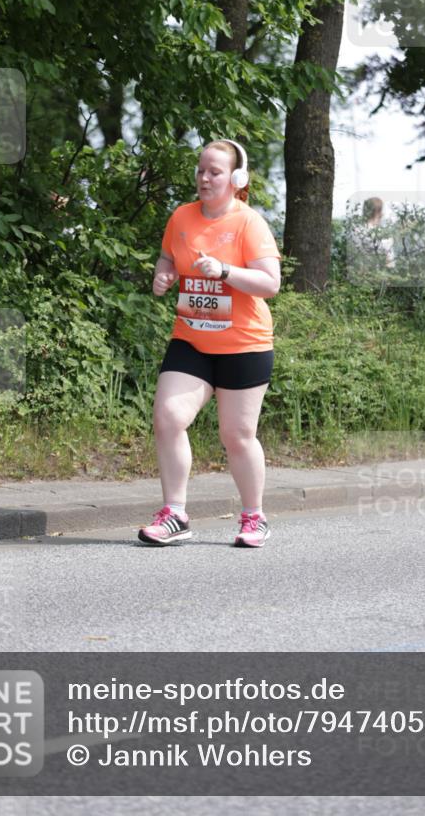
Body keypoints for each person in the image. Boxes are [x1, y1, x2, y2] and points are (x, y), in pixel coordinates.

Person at [138, 138, 281, 548]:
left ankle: (254, 517)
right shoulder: (182, 217)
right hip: (192, 340)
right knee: (167, 417)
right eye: (200, 170)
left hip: (244, 344)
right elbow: (168, 257)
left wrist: (224, 271)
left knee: (236, 436)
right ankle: (175, 514)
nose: (203, 178)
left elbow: (270, 283)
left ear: (236, 179)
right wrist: (163, 276)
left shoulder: (248, 223)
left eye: (214, 172)